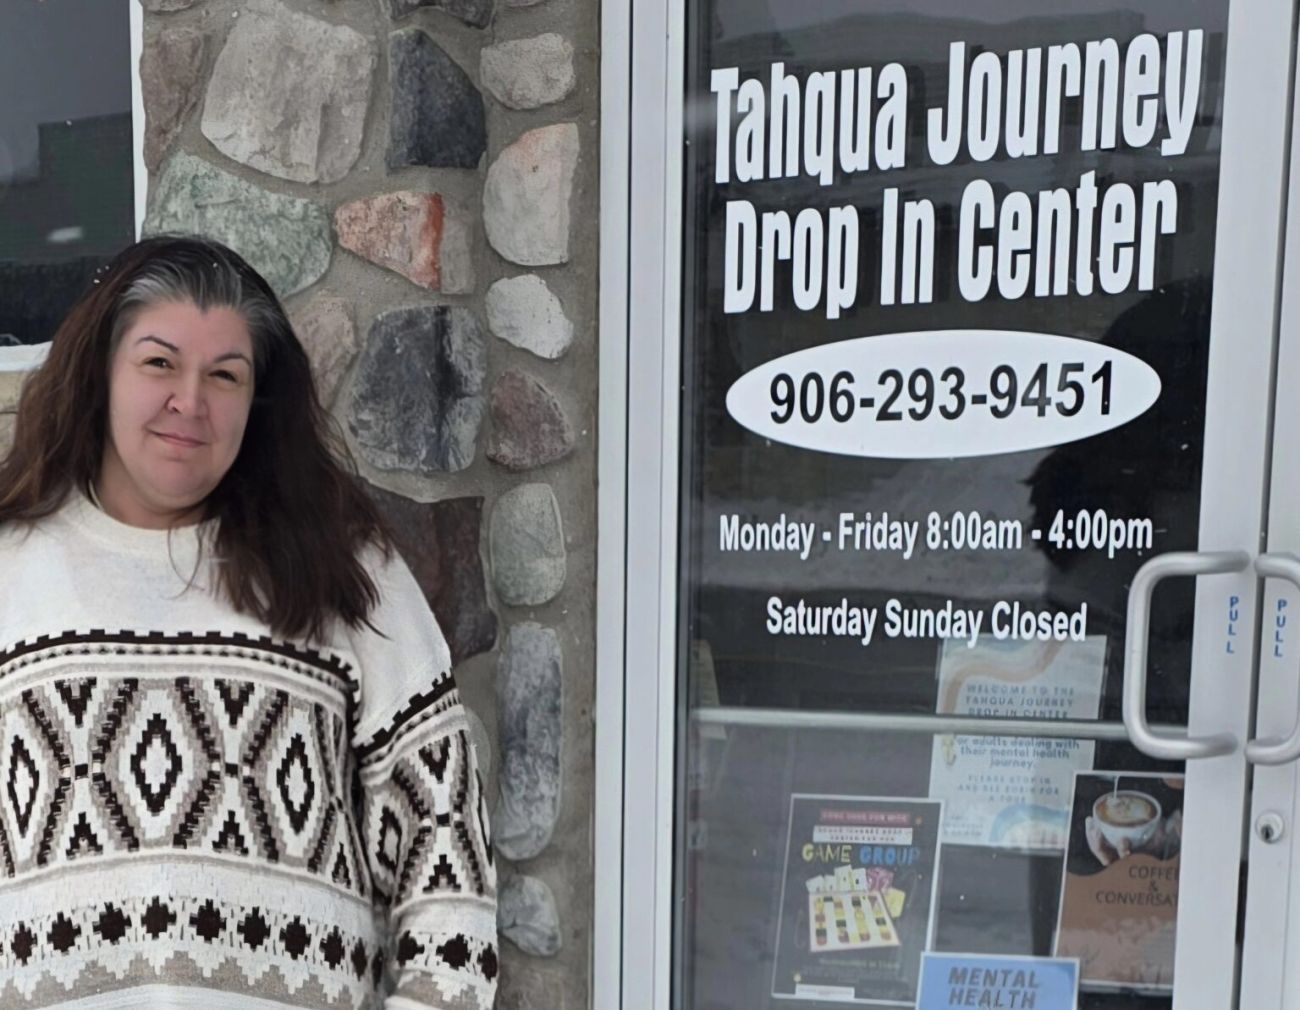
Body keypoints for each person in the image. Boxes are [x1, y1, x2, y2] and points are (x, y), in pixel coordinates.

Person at [0, 236, 498, 1009]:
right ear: (99, 372)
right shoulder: (11, 568)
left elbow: (447, 849)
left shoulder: (344, 569)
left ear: (258, 399)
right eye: (159, 363)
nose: (189, 403)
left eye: (224, 376)